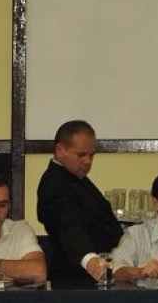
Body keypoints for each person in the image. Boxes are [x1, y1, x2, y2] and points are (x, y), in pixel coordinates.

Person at [36, 120, 124, 282]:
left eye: (91, 155)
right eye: (81, 155)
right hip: (79, 279)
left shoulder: (73, 176)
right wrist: (89, 260)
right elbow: (69, 226)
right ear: (60, 150)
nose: (88, 161)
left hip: (94, 274)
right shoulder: (55, 184)